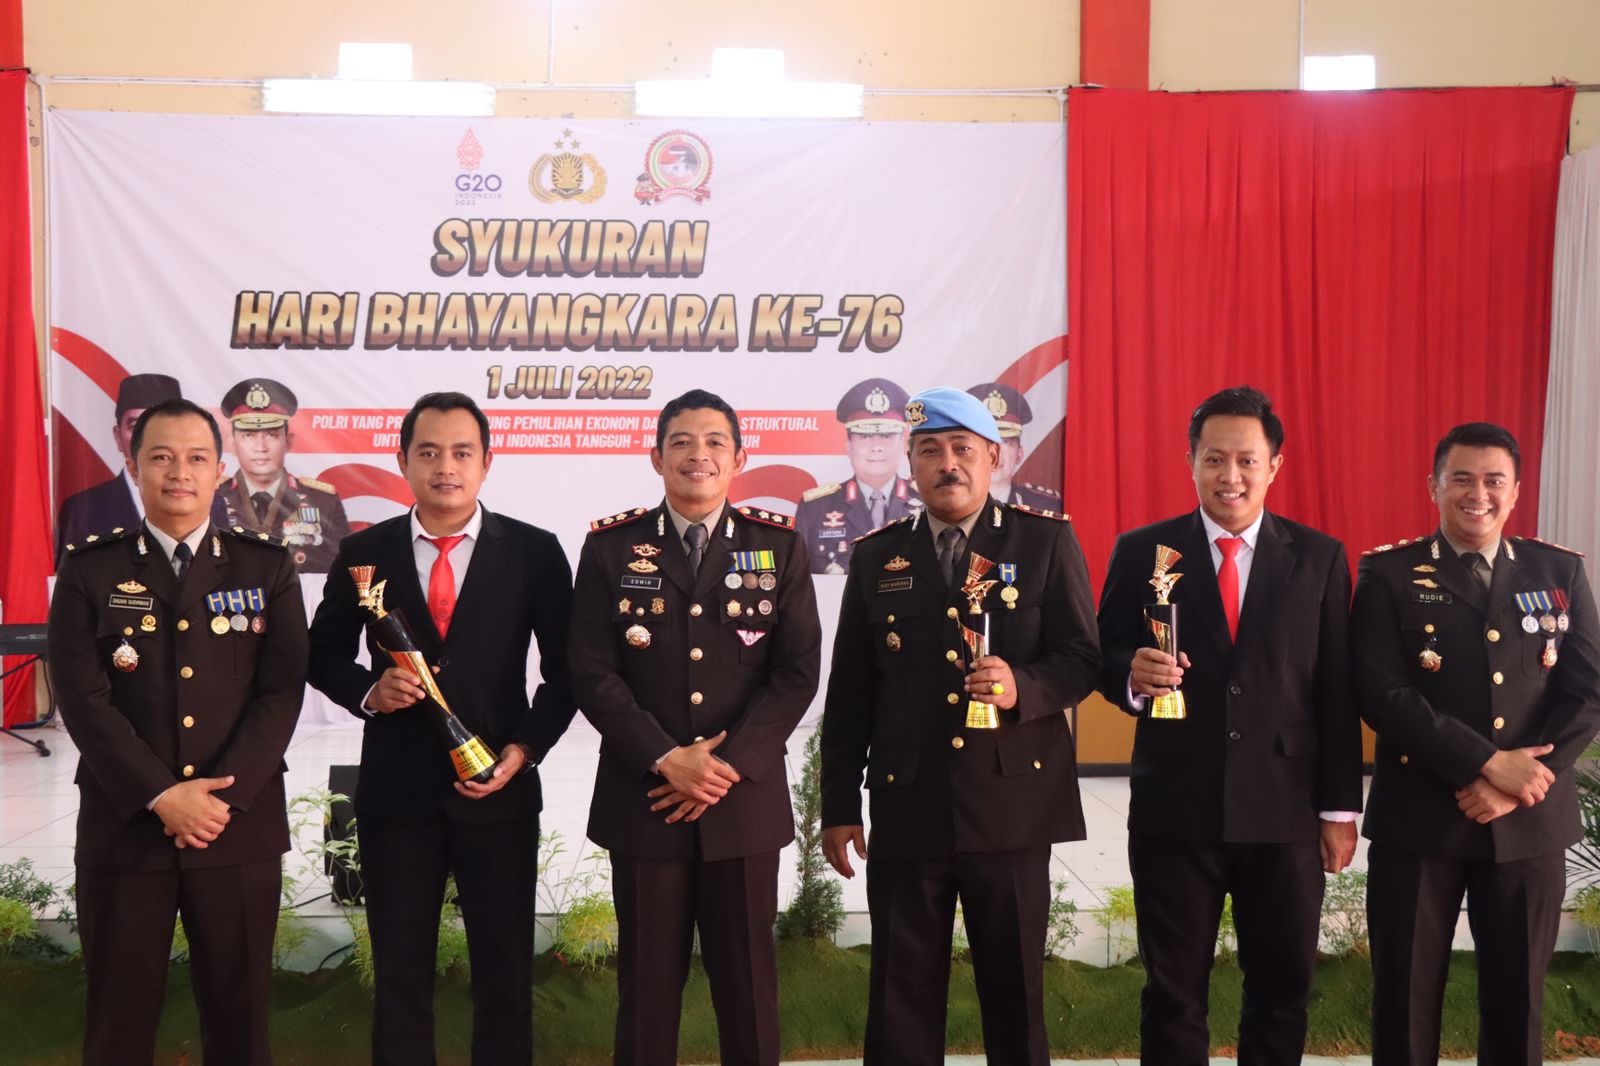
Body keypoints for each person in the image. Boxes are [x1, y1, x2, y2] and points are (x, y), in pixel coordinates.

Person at [820, 386, 1100, 1066]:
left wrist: (1022, 686)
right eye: (930, 450)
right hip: (908, 804)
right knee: (901, 997)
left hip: (1012, 808)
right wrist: (839, 805)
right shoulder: (877, 555)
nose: (948, 463)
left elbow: (1083, 660)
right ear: (910, 464)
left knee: (1015, 996)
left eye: (962, 449)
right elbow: (851, 691)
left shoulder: (1043, 541)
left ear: (993, 457)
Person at [1094, 385, 1363, 1066]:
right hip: (1175, 809)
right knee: (1172, 995)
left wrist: (1339, 810)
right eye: (1214, 459)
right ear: (1191, 462)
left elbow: (1337, 690)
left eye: (1247, 460)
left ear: (1275, 465)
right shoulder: (1143, 551)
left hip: (1285, 813)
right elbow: (1101, 656)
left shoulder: (1320, 558)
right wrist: (1132, 675)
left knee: (1281, 991)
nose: (1230, 476)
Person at [307, 391, 576, 1066]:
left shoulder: (535, 552)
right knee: (400, 975)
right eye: (428, 452)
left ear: (487, 462)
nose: (445, 467)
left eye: (461, 453)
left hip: (499, 789)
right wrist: (368, 692)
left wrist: (525, 749)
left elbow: (568, 671)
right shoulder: (364, 551)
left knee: (505, 972)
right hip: (397, 796)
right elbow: (320, 654)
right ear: (403, 461)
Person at [47, 397, 308, 1066]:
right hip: (126, 824)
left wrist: (218, 800)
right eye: (161, 457)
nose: (179, 473)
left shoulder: (265, 566)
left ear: (220, 470)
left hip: (235, 826)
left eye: (196, 458)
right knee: (118, 1021)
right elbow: (82, 698)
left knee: (240, 1021)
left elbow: (281, 692)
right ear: (134, 466)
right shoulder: (90, 568)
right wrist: (162, 795)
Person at [569, 388, 822, 1066]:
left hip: (741, 804)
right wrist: (664, 756)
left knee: (749, 992)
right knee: (646, 994)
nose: (698, 454)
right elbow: (590, 672)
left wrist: (722, 767)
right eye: (681, 441)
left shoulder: (779, 546)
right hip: (646, 801)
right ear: (656, 458)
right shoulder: (611, 548)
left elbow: (796, 673)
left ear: (740, 458)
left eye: (714, 442)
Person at [1352, 421, 1600, 1066]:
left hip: (1528, 821)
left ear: (1515, 492)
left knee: (1518, 1007)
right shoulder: (1389, 572)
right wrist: (1488, 764)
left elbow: (1587, 691)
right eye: (1461, 479)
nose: (1478, 494)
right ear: (1433, 487)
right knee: (1404, 1004)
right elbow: (1382, 693)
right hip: (1420, 819)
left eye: (1494, 481)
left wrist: (1525, 783)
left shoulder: (1558, 569)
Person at [218, 378, 352, 572]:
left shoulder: (323, 501)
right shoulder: (212, 499)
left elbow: (345, 570)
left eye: (271, 435)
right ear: (232, 443)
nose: (260, 447)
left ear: (288, 441)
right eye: (248, 435)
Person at [795, 377, 922, 574]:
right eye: (864, 436)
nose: (876, 447)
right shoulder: (815, 507)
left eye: (887, 436)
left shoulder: (927, 502)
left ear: (903, 443)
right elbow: (799, 578)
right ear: (848, 445)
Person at [55, 372, 184, 563]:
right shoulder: (81, 510)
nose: (146, 437)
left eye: (160, 425)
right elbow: (68, 579)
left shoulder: (211, 505)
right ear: (118, 436)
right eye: (135, 426)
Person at [966, 381, 1064, 513]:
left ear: (1019, 453)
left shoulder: (1045, 506)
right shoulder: (944, 502)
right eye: (987, 441)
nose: (997, 453)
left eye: (1006, 442)